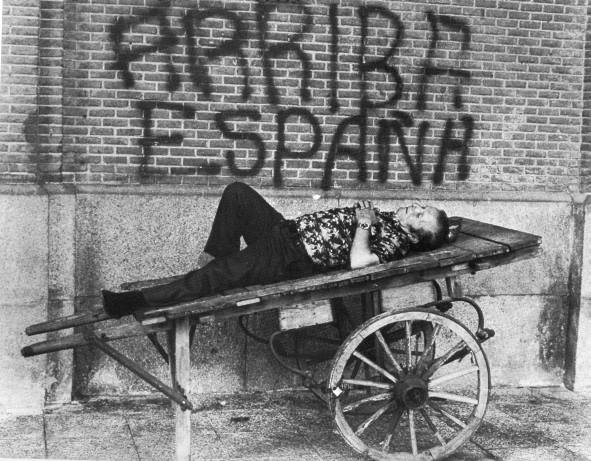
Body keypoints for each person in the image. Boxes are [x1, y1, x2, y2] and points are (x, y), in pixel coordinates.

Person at [102, 182, 454, 318]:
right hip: (284, 232)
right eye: (421, 206)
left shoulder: (395, 242)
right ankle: (214, 271)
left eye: (420, 215)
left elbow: (360, 262)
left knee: (219, 274)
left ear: (415, 236)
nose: (415, 207)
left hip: (290, 258)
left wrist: (363, 224)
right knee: (238, 194)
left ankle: (132, 303)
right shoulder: (392, 223)